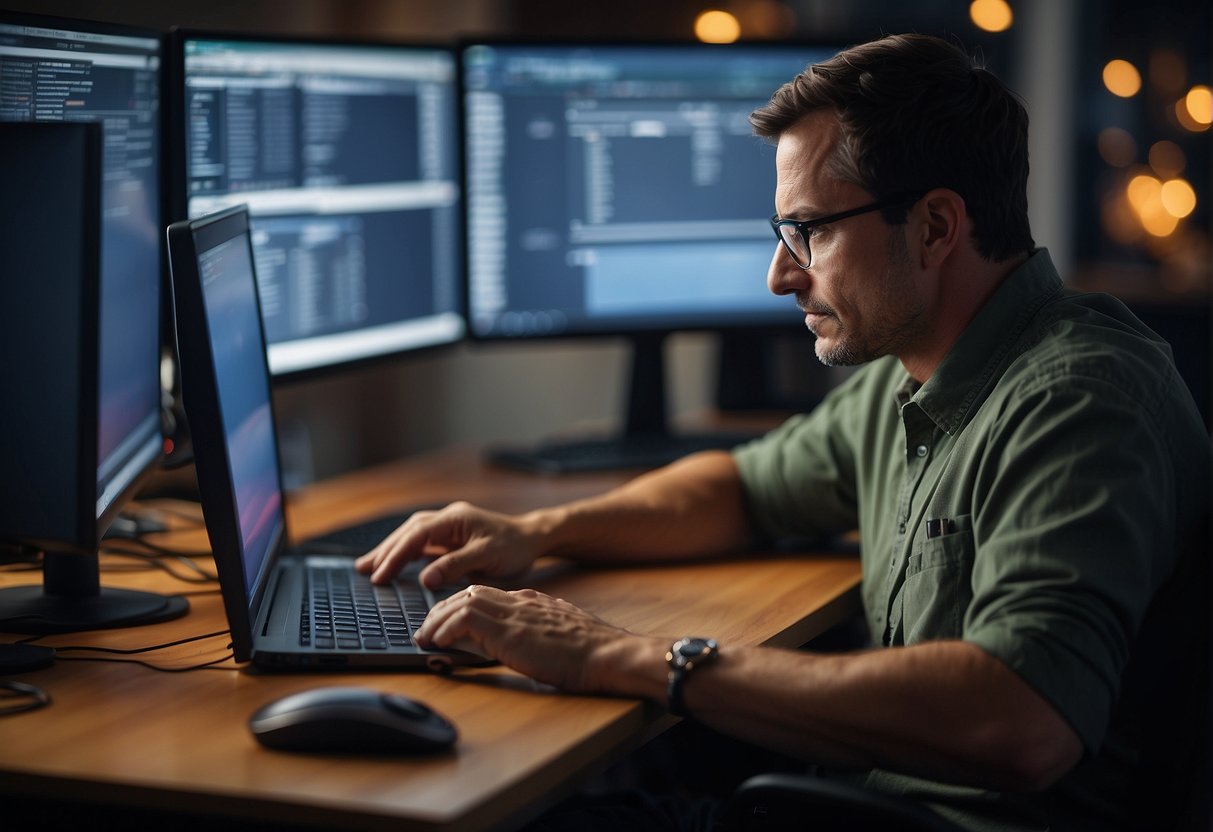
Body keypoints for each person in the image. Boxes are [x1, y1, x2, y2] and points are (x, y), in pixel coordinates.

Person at [357, 33, 1210, 832]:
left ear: (936, 227)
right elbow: (743, 486)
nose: (778, 274)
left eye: (809, 231)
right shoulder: (914, 370)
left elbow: (1021, 722)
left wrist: (625, 657)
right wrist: (535, 533)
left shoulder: (1079, 401)